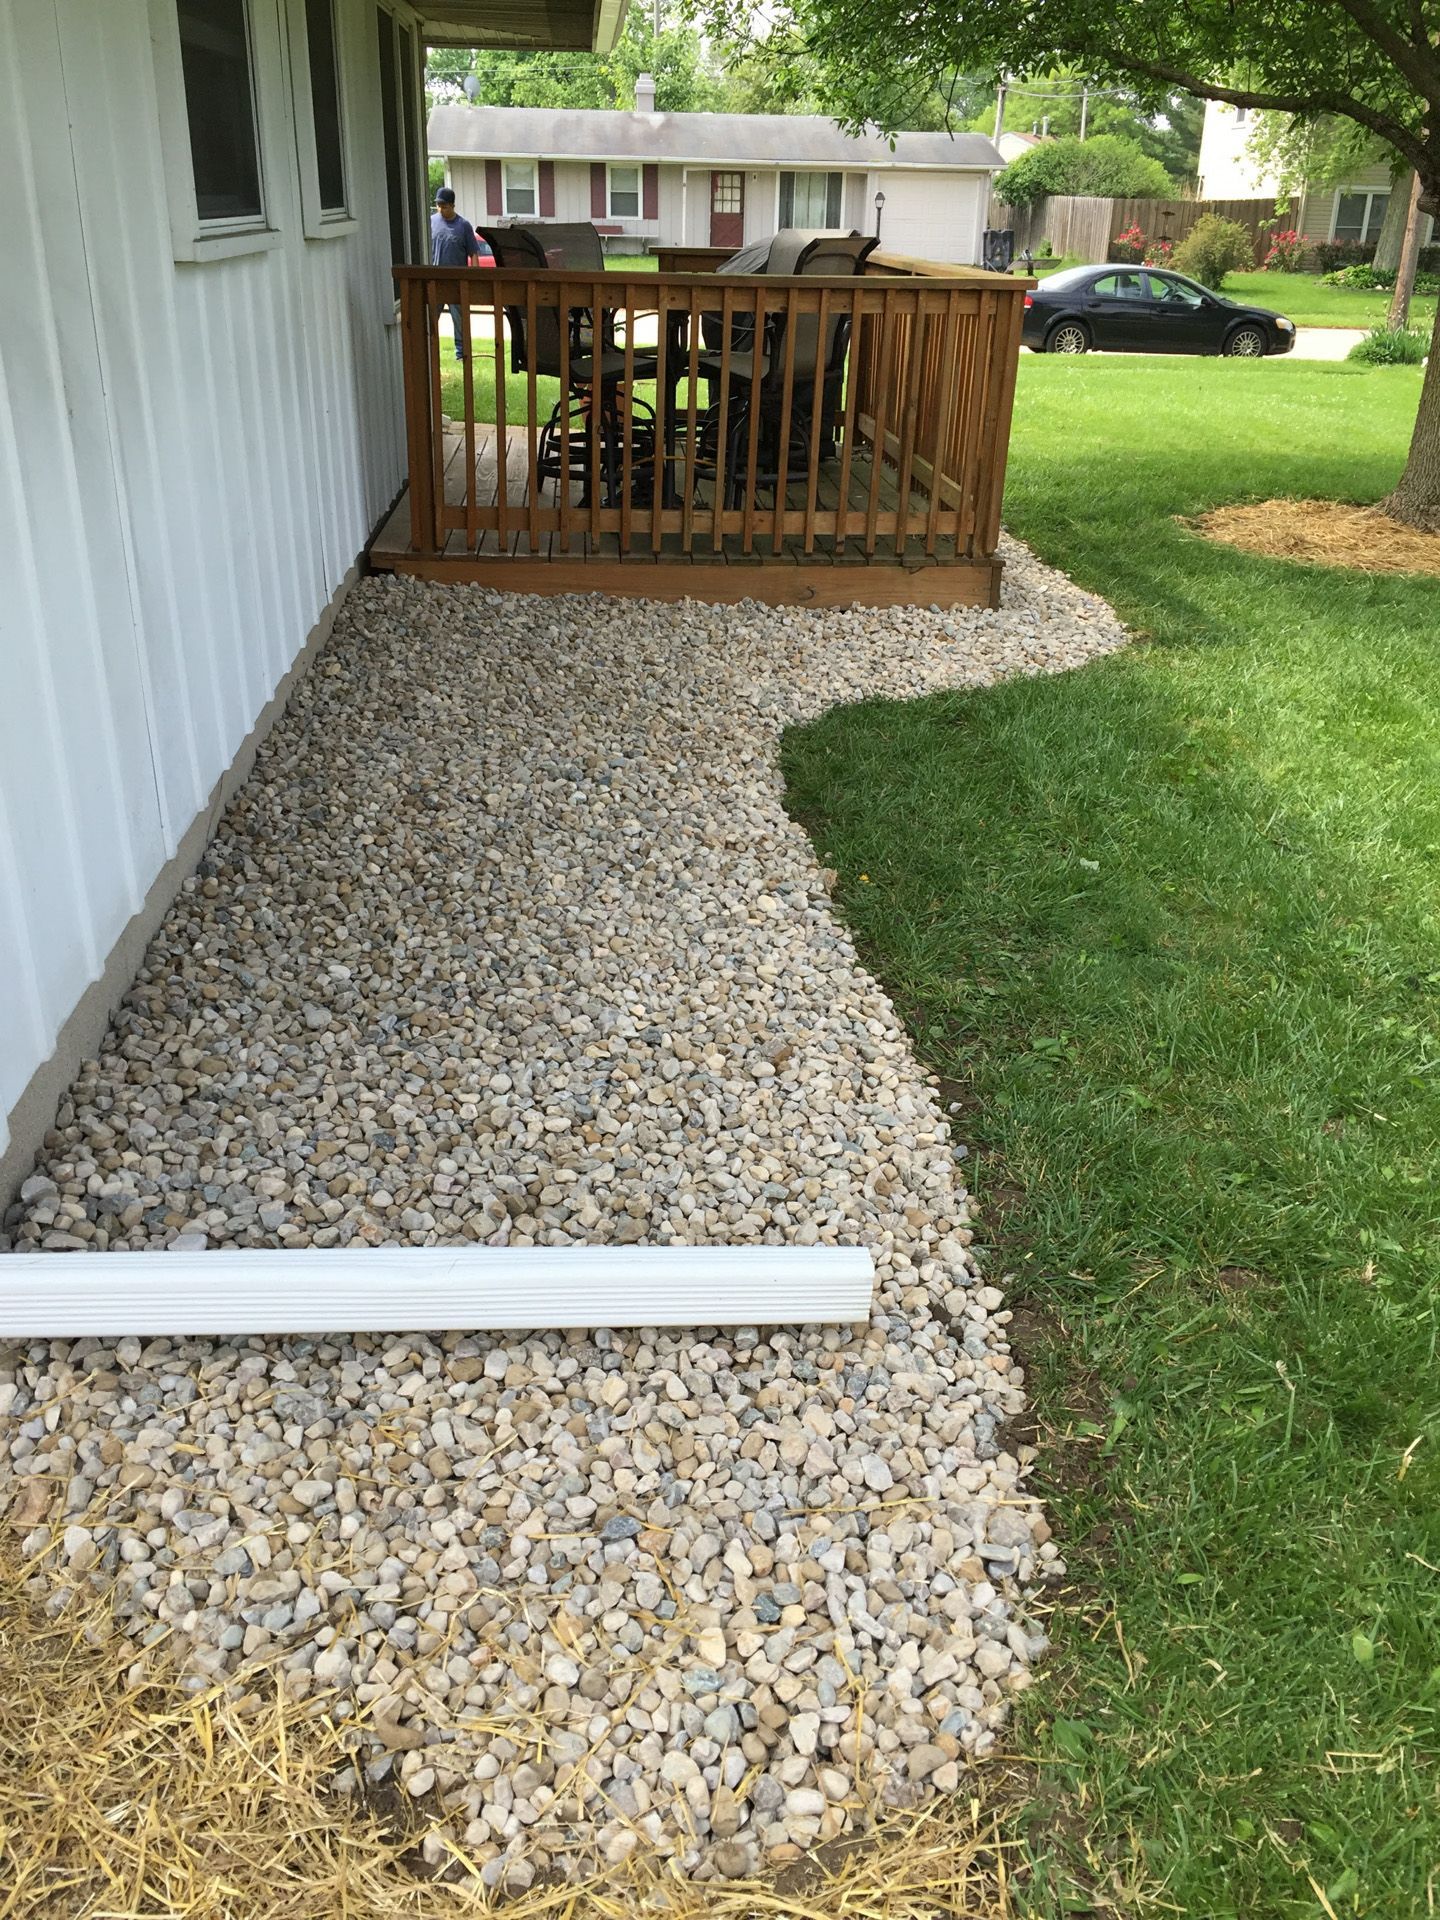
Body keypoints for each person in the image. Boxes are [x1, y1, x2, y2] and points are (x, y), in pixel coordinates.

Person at [430, 187, 491, 362]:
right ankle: (430, 350)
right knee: (431, 318)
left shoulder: (463, 226)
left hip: (457, 283)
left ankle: (462, 354)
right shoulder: (431, 221)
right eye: (438, 205)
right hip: (435, 281)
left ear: (452, 205)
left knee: (460, 320)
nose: (441, 209)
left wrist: (474, 277)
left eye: (444, 206)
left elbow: (473, 253)